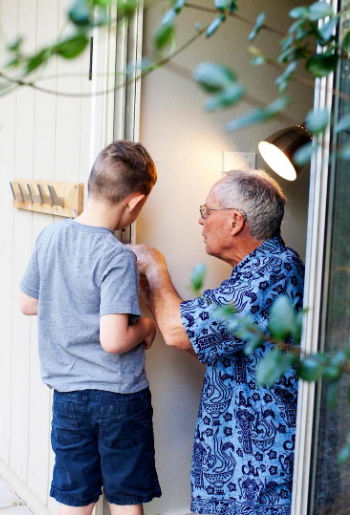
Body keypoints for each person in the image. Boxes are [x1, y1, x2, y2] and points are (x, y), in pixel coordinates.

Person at [130, 170, 304, 515]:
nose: (200, 220)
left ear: (235, 221)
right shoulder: (257, 270)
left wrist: (155, 266)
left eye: (207, 212)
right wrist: (152, 296)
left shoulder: (270, 272)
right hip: (238, 469)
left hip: (257, 477)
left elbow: (180, 333)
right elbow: (205, 340)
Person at [19, 140, 162, 515]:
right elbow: (113, 340)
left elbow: (28, 302)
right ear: (134, 203)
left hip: (68, 397)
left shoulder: (50, 237)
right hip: (118, 398)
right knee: (125, 497)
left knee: (74, 497)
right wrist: (146, 326)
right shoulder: (116, 255)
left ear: (91, 185)